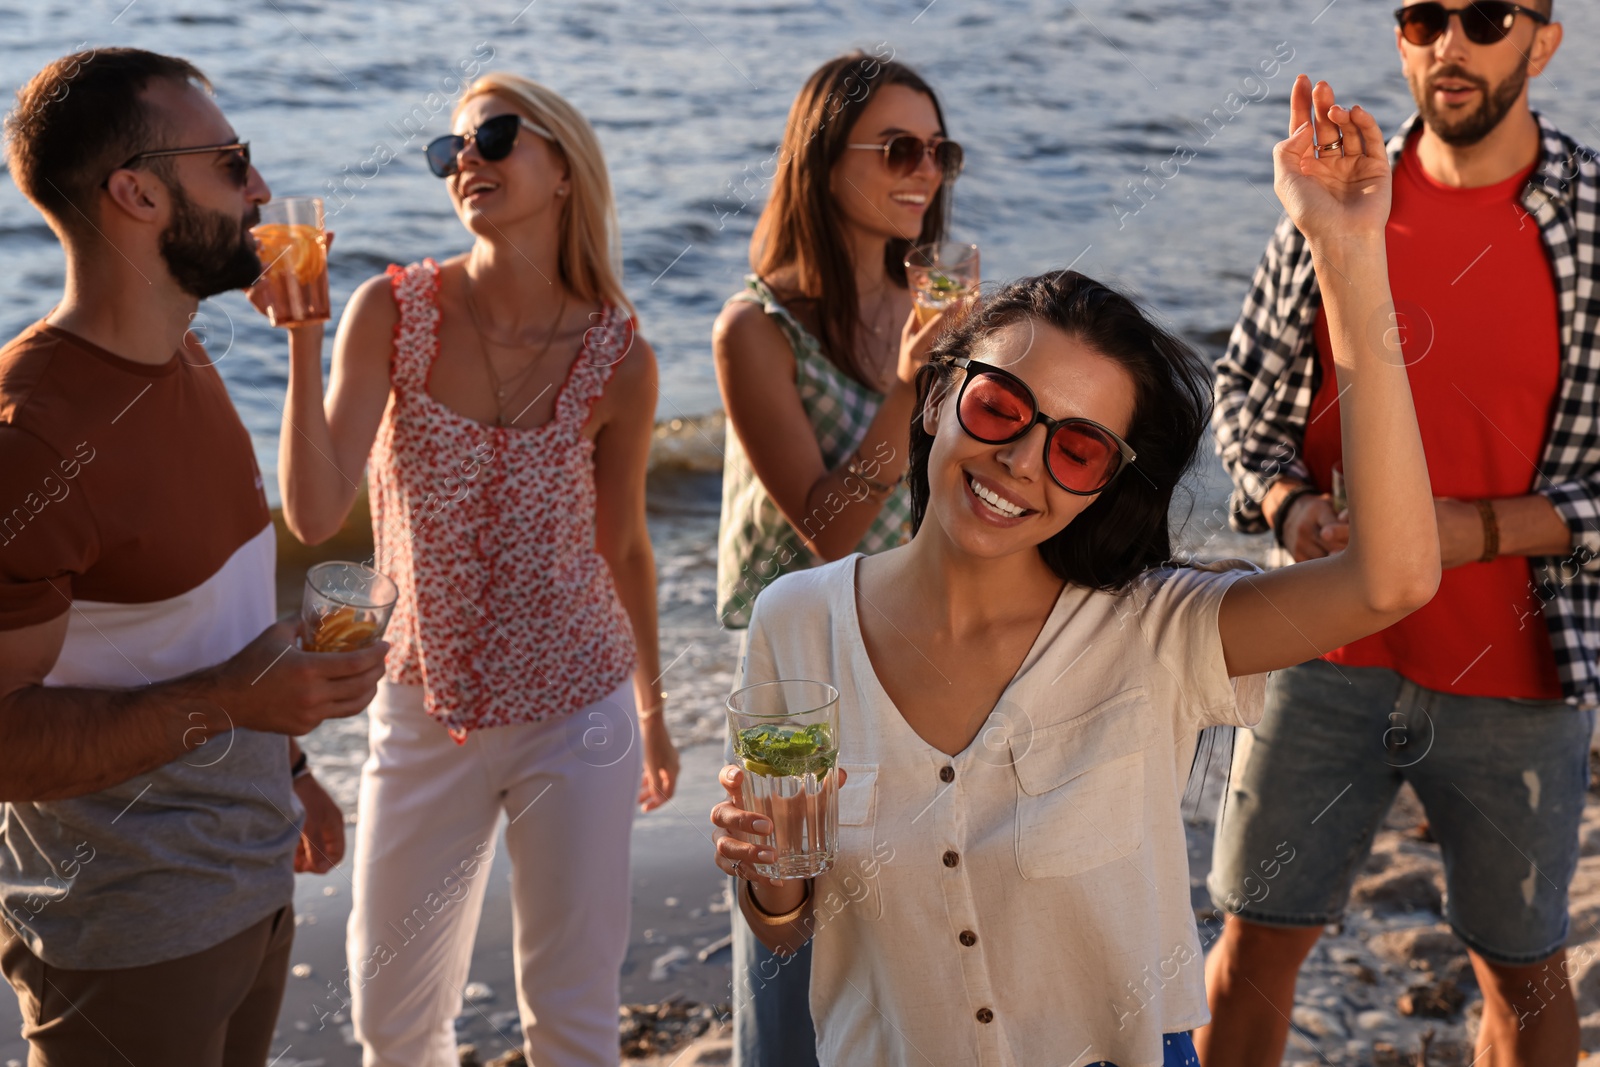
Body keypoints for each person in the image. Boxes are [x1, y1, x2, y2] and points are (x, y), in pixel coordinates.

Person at [711, 75, 1439, 1066]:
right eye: (1001, 406)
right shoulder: (794, 622)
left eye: (1079, 448)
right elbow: (789, 931)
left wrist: (1348, 255)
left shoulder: (1156, 632)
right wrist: (770, 882)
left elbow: (1391, 577)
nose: (1020, 461)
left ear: (1104, 485)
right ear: (937, 399)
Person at [1201, 3, 1595, 1063]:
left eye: (1481, 18)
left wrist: (1471, 530)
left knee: (1524, 972)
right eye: (1424, 18)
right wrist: (1290, 506)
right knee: (1248, 947)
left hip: (1518, 668)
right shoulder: (1339, 199)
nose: (1448, 46)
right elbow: (1243, 393)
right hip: (1325, 650)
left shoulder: (1593, 218)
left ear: (1542, 40)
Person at [266, 71, 679, 1066]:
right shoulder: (391, 310)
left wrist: (655, 710)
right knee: (392, 1018)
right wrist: (304, 337)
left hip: (579, 707)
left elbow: (622, 542)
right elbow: (317, 513)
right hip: (422, 704)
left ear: (565, 168)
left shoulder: (619, 353)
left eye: (494, 136)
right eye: (448, 149)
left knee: (573, 1014)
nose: (467, 161)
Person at [0, 48, 382, 1067]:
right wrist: (238, 699)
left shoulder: (189, 355)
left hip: (250, 879)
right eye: (231, 161)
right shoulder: (32, 435)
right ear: (136, 193)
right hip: (127, 930)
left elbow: (206, 624)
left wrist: (289, 760)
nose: (260, 187)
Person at [711, 50, 957, 1066]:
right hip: (799, 681)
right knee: (789, 944)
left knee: (925, 944)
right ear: (821, 160)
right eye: (898, 147)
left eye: (940, 150)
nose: (925, 171)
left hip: (928, 662)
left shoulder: (939, 306)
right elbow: (830, 527)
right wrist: (910, 388)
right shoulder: (754, 329)